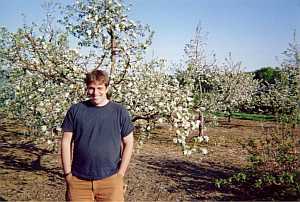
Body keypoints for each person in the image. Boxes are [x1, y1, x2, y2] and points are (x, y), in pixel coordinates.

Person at [61, 69, 134, 201]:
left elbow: (128, 142)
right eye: (91, 88)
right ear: (86, 88)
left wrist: (121, 174)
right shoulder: (75, 110)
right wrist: (67, 174)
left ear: (107, 88)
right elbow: (66, 142)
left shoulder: (119, 112)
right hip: (78, 181)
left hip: (111, 179)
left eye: (100, 88)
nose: (95, 93)